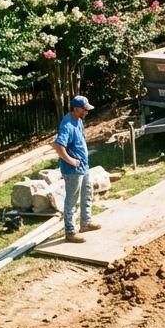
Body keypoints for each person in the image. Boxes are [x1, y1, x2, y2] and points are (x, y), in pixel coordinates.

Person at [53, 94, 100, 243]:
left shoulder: (78, 120)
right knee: (72, 200)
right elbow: (59, 146)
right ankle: (70, 232)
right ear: (76, 108)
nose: (87, 112)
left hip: (83, 166)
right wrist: (71, 160)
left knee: (87, 192)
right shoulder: (67, 125)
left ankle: (86, 222)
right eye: (84, 109)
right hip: (72, 171)